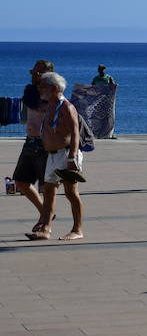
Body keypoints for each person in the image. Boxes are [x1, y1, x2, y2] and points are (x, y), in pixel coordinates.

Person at [26, 72, 85, 242]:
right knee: (49, 191)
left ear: (54, 88)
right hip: (52, 156)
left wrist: (72, 157)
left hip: (66, 154)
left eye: (42, 86)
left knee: (71, 192)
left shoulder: (66, 107)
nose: (39, 89)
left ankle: (77, 229)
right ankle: (45, 228)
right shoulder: (50, 105)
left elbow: (75, 133)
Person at [12, 60, 54, 234]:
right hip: (30, 141)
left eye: (40, 73)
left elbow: (52, 108)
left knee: (46, 187)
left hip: (45, 144)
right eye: (34, 72)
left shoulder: (53, 91)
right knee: (21, 181)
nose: (35, 75)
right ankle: (45, 213)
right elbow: (34, 104)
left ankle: (46, 224)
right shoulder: (30, 91)